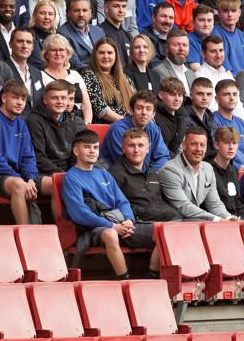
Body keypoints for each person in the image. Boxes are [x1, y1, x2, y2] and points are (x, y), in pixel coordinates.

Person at [60, 129, 160, 278]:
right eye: (87, 147)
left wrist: (129, 221)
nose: (92, 151)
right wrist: (113, 226)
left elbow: (123, 202)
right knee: (111, 235)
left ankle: (152, 278)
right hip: (94, 228)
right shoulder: (71, 178)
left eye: (95, 147)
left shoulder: (104, 174)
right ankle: (125, 281)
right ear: (76, 150)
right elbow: (80, 214)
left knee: (162, 232)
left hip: (119, 223)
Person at [0, 80, 47, 224]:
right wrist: (21, 180)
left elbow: (28, 157)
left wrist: (30, 178)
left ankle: (61, 237)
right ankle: (24, 234)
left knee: (55, 183)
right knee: (18, 184)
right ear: (4, 98)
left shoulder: (21, 124)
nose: (20, 103)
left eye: (23, 99)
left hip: (15, 175)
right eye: (15, 97)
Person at [158, 129, 233, 220]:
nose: (198, 149)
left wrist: (228, 218)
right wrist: (216, 219)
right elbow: (184, 207)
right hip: (174, 223)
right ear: (184, 145)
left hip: (195, 220)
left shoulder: (208, 168)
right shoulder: (170, 170)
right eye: (194, 144)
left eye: (202, 145)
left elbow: (214, 203)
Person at [108, 128, 178, 223]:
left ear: (148, 149)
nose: (136, 150)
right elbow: (114, 207)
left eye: (141, 145)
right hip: (137, 223)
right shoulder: (113, 175)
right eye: (131, 145)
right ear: (123, 148)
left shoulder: (153, 174)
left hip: (165, 220)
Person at [26, 79, 85, 185]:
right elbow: (38, 158)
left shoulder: (71, 124)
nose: (60, 102)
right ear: (45, 100)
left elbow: (74, 158)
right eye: (54, 98)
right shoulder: (34, 121)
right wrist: (65, 175)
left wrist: (74, 175)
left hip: (66, 174)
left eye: (63, 98)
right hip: (40, 174)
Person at [99, 89, 170, 170]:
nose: (144, 112)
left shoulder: (154, 129)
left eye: (148, 109)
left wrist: (154, 174)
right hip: (116, 176)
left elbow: (163, 157)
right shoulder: (118, 130)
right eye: (140, 108)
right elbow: (127, 163)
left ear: (153, 114)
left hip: (143, 174)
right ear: (132, 111)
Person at [81, 36, 134, 123]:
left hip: (130, 127)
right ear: (95, 55)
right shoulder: (88, 75)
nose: (106, 56)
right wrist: (128, 122)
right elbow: (100, 110)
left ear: (116, 55)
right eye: (101, 53)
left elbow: (135, 103)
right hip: (107, 128)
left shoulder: (126, 78)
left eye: (110, 53)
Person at [210, 126, 244, 219]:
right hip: (217, 221)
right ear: (216, 145)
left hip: (234, 219)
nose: (231, 147)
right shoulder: (207, 169)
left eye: (234, 143)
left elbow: (238, 203)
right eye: (226, 143)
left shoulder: (233, 170)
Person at [57, 0, 104, 69]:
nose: (81, 14)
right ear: (69, 13)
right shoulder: (62, 33)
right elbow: (76, 64)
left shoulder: (99, 31)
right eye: (77, 11)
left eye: (85, 10)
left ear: (90, 13)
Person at [6, 26, 44, 117]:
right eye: (20, 41)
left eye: (29, 42)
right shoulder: (3, 69)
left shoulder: (37, 72)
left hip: (36, 124)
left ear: (32, 47)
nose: (25, 46)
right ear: (10, 44)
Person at [211, 0, 244, 75]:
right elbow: (223, 69)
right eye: (225, 11)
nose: (230, 14)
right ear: (219, 12)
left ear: (239, 12)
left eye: (233, 11)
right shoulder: (213, 35)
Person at [154, 76, 188, 158]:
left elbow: (180, 148)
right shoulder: (152, 114)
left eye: (180, 95)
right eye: (172, 94)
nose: (177, 99)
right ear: (161, 95)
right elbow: (156, 148)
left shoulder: (182, 116)